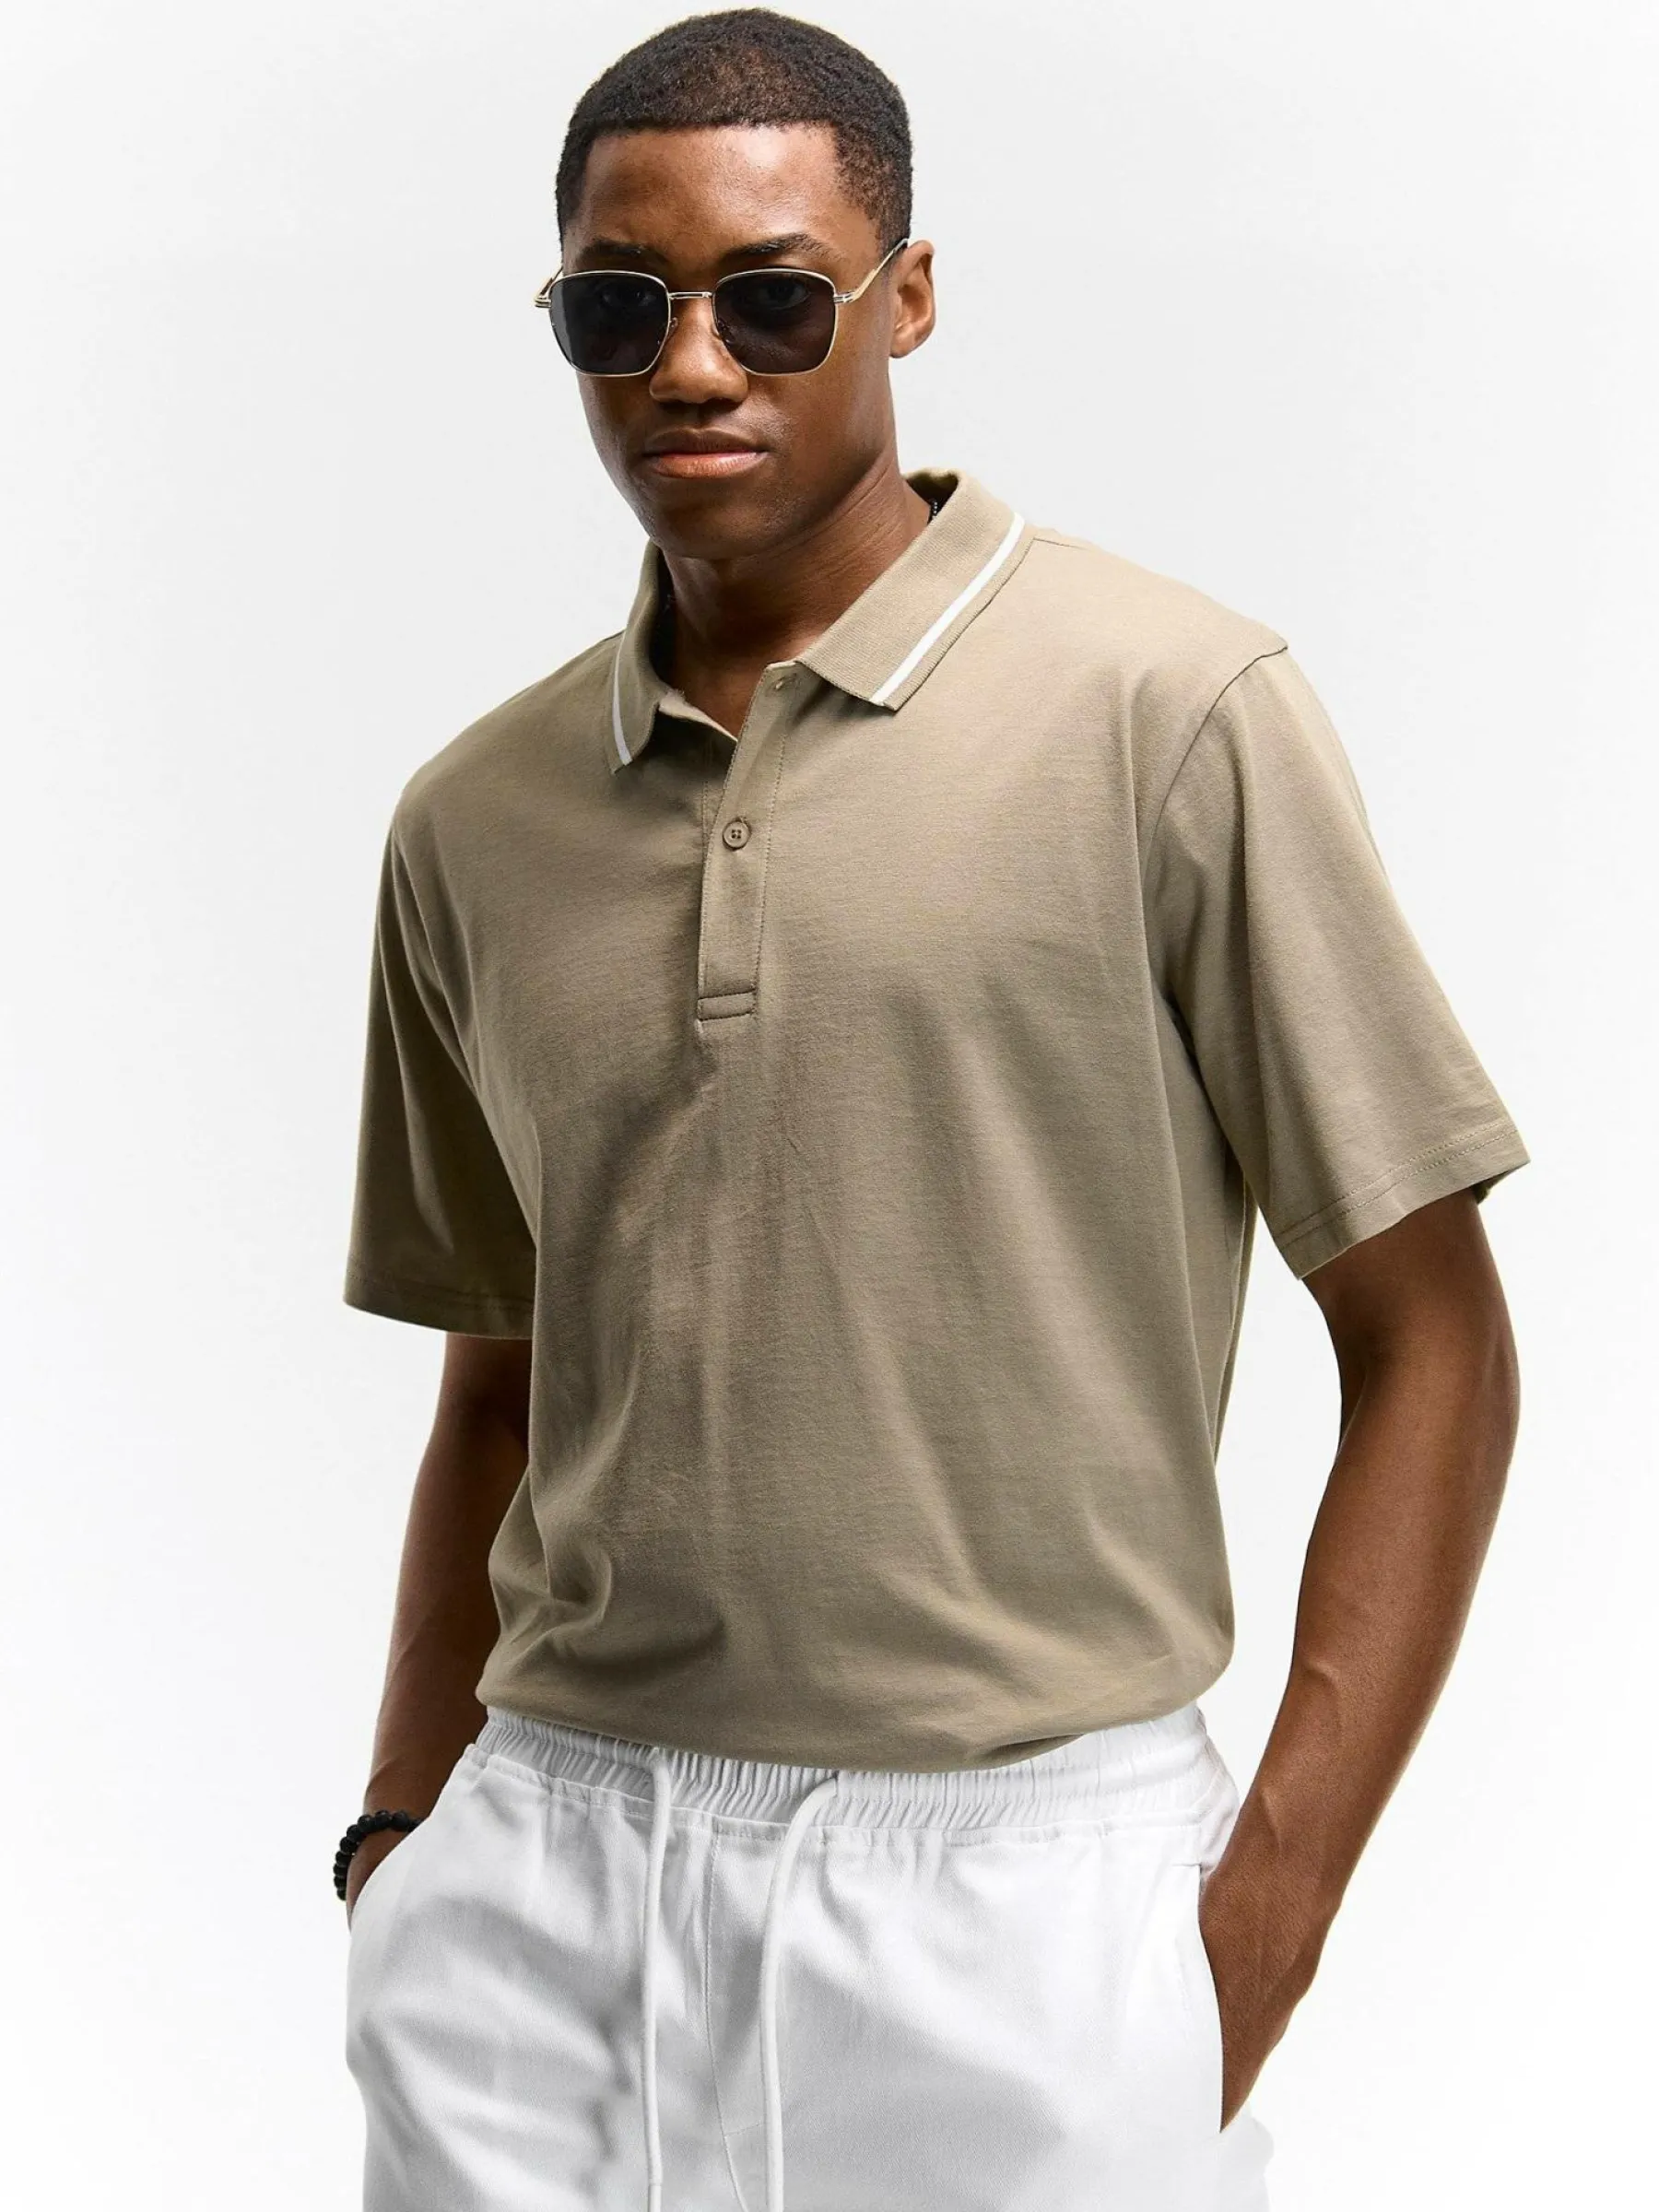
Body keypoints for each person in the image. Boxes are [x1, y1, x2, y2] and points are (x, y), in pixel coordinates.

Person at [333, 10, 1528, 2210]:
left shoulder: (1174, 712)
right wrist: (403, 1838)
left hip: (1026, 1905)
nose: (696, 366)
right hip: (541, 1900)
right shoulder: (472, 820)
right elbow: (494, 1385)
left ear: (908, 298)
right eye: (620, 309)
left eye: (774, 299)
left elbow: (1432, 1336)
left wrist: (1263, 1917)